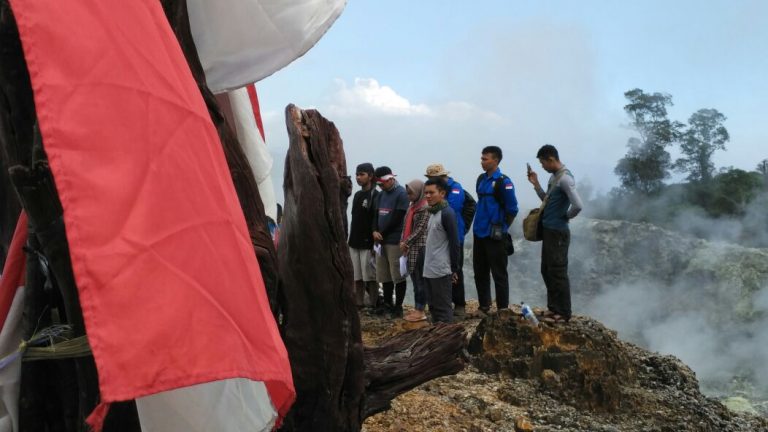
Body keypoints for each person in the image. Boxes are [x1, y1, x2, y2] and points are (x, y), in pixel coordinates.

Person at [526, 144, 583, 323]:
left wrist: (565, 217)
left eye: (543, 163)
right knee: (547, 269)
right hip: (549, 231)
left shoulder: (565, 179)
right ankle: (553, 308)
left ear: (551, 159)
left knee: (558, 271)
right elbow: (547, 201)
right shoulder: (554, 178)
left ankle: (563, 313)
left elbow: (578, 205)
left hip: (558, 232)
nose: (542, 167)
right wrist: (536, 184)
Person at [424, 163, 475, 318]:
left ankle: (458, 304)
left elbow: (452, 208)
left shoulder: (455, 189)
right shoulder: (437, 200)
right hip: (441, 235)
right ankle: (443, 306)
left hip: (454, 234)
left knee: (454, 269)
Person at [473, 146, 519, 315]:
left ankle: (502, 309)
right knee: (480, 271)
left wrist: (502, 227)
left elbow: (512, 209)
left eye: (485, 159)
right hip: (479, 231)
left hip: (495, 234)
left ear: (496, 160)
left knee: (499, 273)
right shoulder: (481, 179)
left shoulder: (504, 182)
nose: (482, 162)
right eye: (482, 158)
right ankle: (484, 306)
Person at [372, 166, 410, 317]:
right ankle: (387, 304)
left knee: (397, 274)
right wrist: (374, 230)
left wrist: (382, 233)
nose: (381, 187)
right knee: (384, 275)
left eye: (382, 184)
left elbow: (398, 217)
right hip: (380, 241)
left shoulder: (401, 194)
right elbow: (375, 214)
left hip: (394, 240)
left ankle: (398, 307)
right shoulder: (381, 195)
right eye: (379, 185)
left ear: (390, 179)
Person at [422, 178, 460, 323]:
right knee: (432, 307)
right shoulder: (432, 212)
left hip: (441, 270)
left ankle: (449, 340)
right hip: (429, 269)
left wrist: (454, 268)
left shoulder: (447, 213)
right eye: (426, 193)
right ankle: (437, 339)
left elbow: (455, 243)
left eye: (432, 192)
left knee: (443, 309)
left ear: (442, 193)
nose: (428, 196)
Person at [348, 163, 380, 309]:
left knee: (370, 276)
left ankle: (373, 304)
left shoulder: (376, 195)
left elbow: (376, 220)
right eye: (357, 174)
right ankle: (359, 303)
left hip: (368, 242)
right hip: (354, 241)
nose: (358, 177)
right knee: (357, 276)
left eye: (362, 174)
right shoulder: (357, 195)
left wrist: (374, 243)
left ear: (371, 176)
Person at [399, 180, 430, 322]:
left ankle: (420, 309)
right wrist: (402, 241)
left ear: (418, 192)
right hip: (409, 248)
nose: (408, 196)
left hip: (419, 248)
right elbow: (405, 225)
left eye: (411, 193)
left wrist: (406, 242)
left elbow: (420, 229)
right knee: (414, 278)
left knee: (420, 280)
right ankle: (417, 307)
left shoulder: (424, 208)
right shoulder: (412, 207)